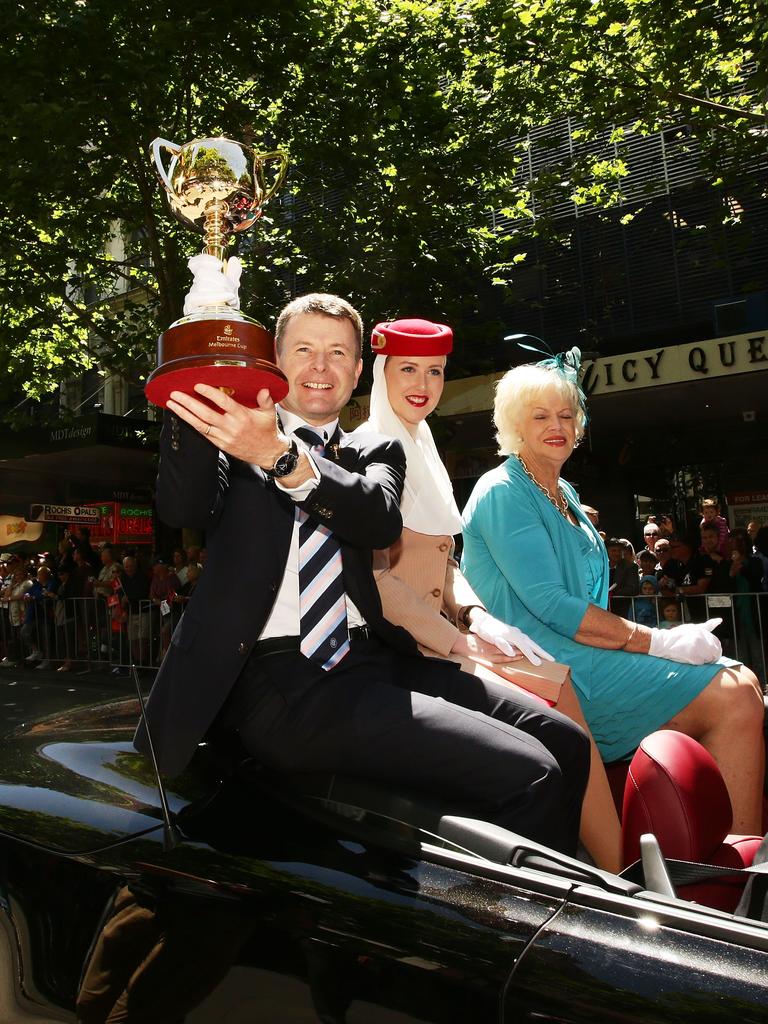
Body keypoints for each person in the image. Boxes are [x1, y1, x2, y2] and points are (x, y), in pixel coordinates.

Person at [134, 293, 590, 857]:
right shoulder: (233, 442)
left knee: (566, 742)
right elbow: (182, 508)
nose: (320, 367)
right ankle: (525, 935)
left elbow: (376, 519)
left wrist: (283, 458)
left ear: (357, 371)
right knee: (534, 772)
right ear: (275, 361)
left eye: (337, 353)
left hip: (370, 662)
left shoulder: (375, 448)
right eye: (303, 350)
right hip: (278, 681)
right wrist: (196, 383)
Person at [461, 349, 765, 834]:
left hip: (583, 654)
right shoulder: (503, 491)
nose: (556, 425)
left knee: (743, 685)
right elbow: (553, 605)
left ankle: (723, 855)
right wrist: (659, 642)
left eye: (566, 414)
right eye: (539, 415)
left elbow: (589, 603)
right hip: (546, 668)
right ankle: (740, 866)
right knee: (733, 694)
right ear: (515, 424)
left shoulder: (567, 495)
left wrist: (656, 639)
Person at [358, 317, 622, 870]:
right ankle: (611, 871)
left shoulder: (422, 445)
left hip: (441, 639)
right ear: (381, 371)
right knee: (558, 698)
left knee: (560, 702)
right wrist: (455, 641)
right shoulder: (365, 449)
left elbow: (442, 561)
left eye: (434, 371)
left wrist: (477, 615)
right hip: (396, 652)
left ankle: (611, 869)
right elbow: (375, 578)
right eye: (408, 368)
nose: (422, 383)